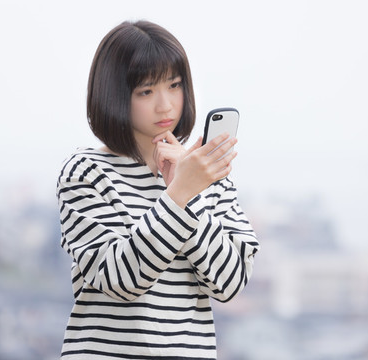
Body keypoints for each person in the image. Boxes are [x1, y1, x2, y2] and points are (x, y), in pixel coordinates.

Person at [56, 20, 260, 360]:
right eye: (146, 91)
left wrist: (191, 189)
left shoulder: (207, 174)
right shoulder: (86, 172)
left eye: (175, 85)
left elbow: (230, 282)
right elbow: (120, 279)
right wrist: (179, 193)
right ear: (115, 95)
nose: (165, 105)